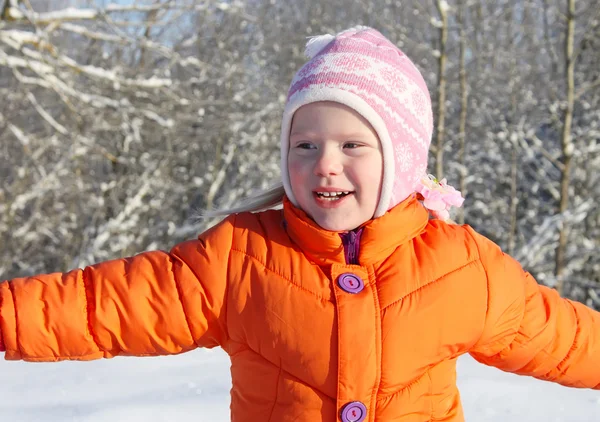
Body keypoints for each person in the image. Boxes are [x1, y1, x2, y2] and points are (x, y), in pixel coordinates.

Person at [0, 26, 598, 422]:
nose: (325, 165)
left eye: (353, 144)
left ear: (403, 159)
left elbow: (560, 336)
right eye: (304, 144)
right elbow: (108, 304)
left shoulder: (462, 267)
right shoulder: (240, 257)